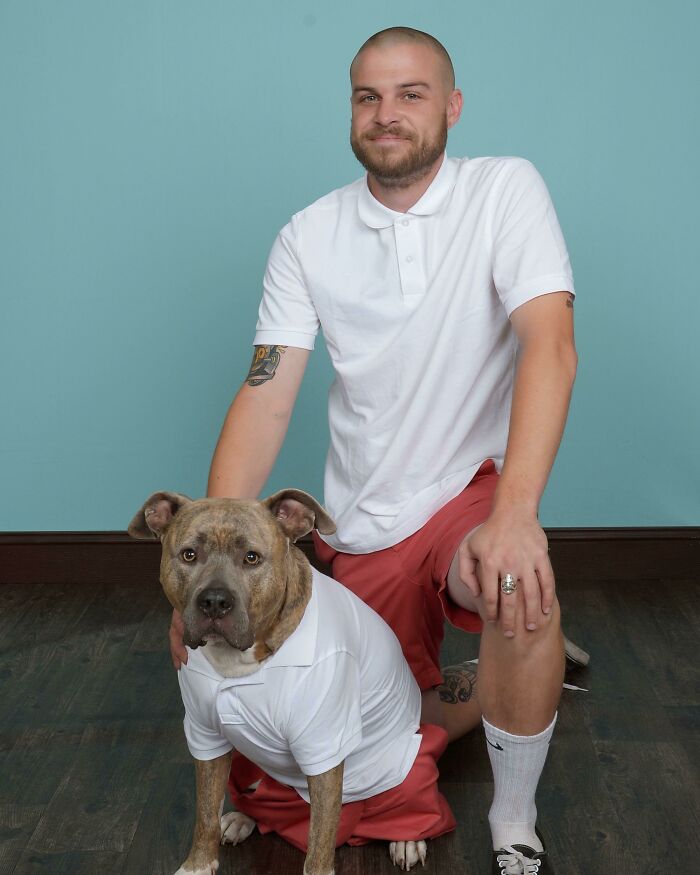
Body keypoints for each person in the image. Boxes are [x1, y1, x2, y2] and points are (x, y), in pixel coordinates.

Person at [171, 26, 579, 874]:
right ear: (352, 111)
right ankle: (521, 669)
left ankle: (513, 819)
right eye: (368, 96)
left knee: (516, 587)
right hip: (361, 522)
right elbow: (266, 390)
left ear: (452, 107)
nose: (386, 114)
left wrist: (517, 517)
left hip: (465, 491)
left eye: (411, 94)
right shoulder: (308, 235)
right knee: (398, 713)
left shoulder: (505, 190)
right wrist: (202, 558)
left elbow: (550, 344)